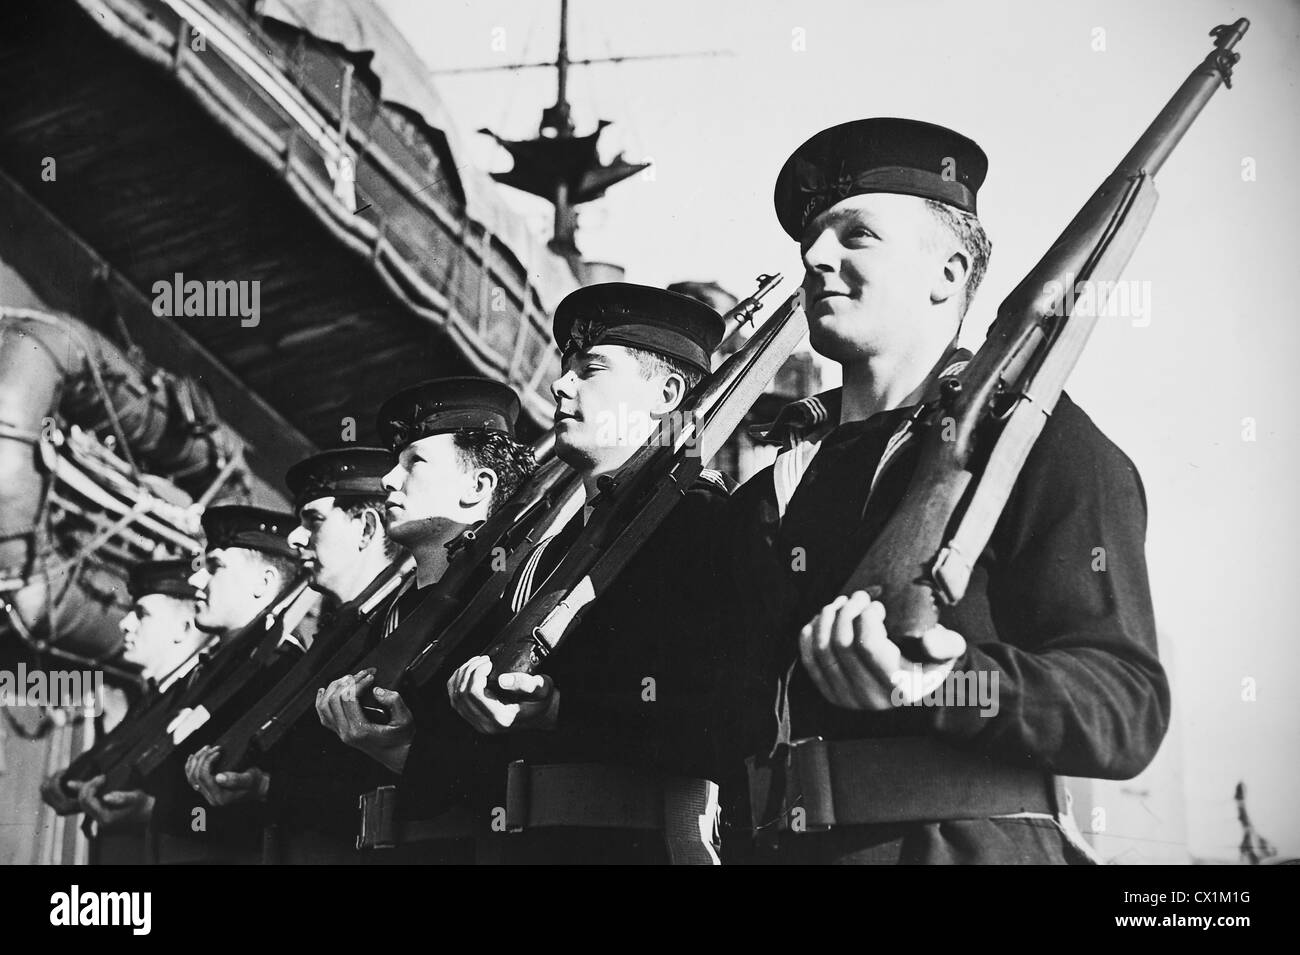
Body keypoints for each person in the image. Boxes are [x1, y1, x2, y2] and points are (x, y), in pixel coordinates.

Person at [723, 117, 1170, 864]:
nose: (815, 256)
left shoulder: (1040, 442)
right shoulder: (784, 483)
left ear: (950, 274)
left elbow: (1126, 705)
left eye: (855, 235)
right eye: (811, 241)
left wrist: (945, 682)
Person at [446, 283, 733, 864]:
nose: (560, 384)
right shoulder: (553, 547)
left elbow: (713, 716)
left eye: (591, 369)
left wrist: (561, 709)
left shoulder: (701, 522)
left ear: (668, 392)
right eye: (566, 367)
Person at [314, 377, 536, 863]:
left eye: (415, 462)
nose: (389, 480)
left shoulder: (513, 600)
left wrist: (404, 753)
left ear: (478, 488)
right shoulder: (387, 618)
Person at [183, 448, 402, 863]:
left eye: (313, 520)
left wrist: (266, 787)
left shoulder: (393, 632)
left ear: (366, 528)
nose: (297, 537)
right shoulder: (332, 642)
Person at [76, 506, 310, 864]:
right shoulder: (214, 673)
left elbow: (259, 816)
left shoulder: (280, 672)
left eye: (215, 567)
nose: (198, 581)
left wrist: (151, 811)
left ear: (263, 584)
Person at [39, 559, 206, 863]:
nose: (125, 623)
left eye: (141, 613)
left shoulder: (196, 701)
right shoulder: (149, 701)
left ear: (183, 628)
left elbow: (208, 816)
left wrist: (152, 811)